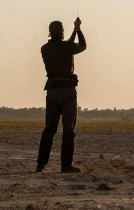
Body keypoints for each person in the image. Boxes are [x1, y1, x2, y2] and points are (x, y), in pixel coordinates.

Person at [36, 16, 86, 173]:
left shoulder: (44, 49)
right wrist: (78, 30)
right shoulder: (67, 46)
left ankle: (41, 164)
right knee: (68, 130)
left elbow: (64, 47)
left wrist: (74, 31)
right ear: (62, 32)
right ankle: (66, 165)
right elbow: (82, 46)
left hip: (51, 92)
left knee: (49, 129)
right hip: (67, 91)